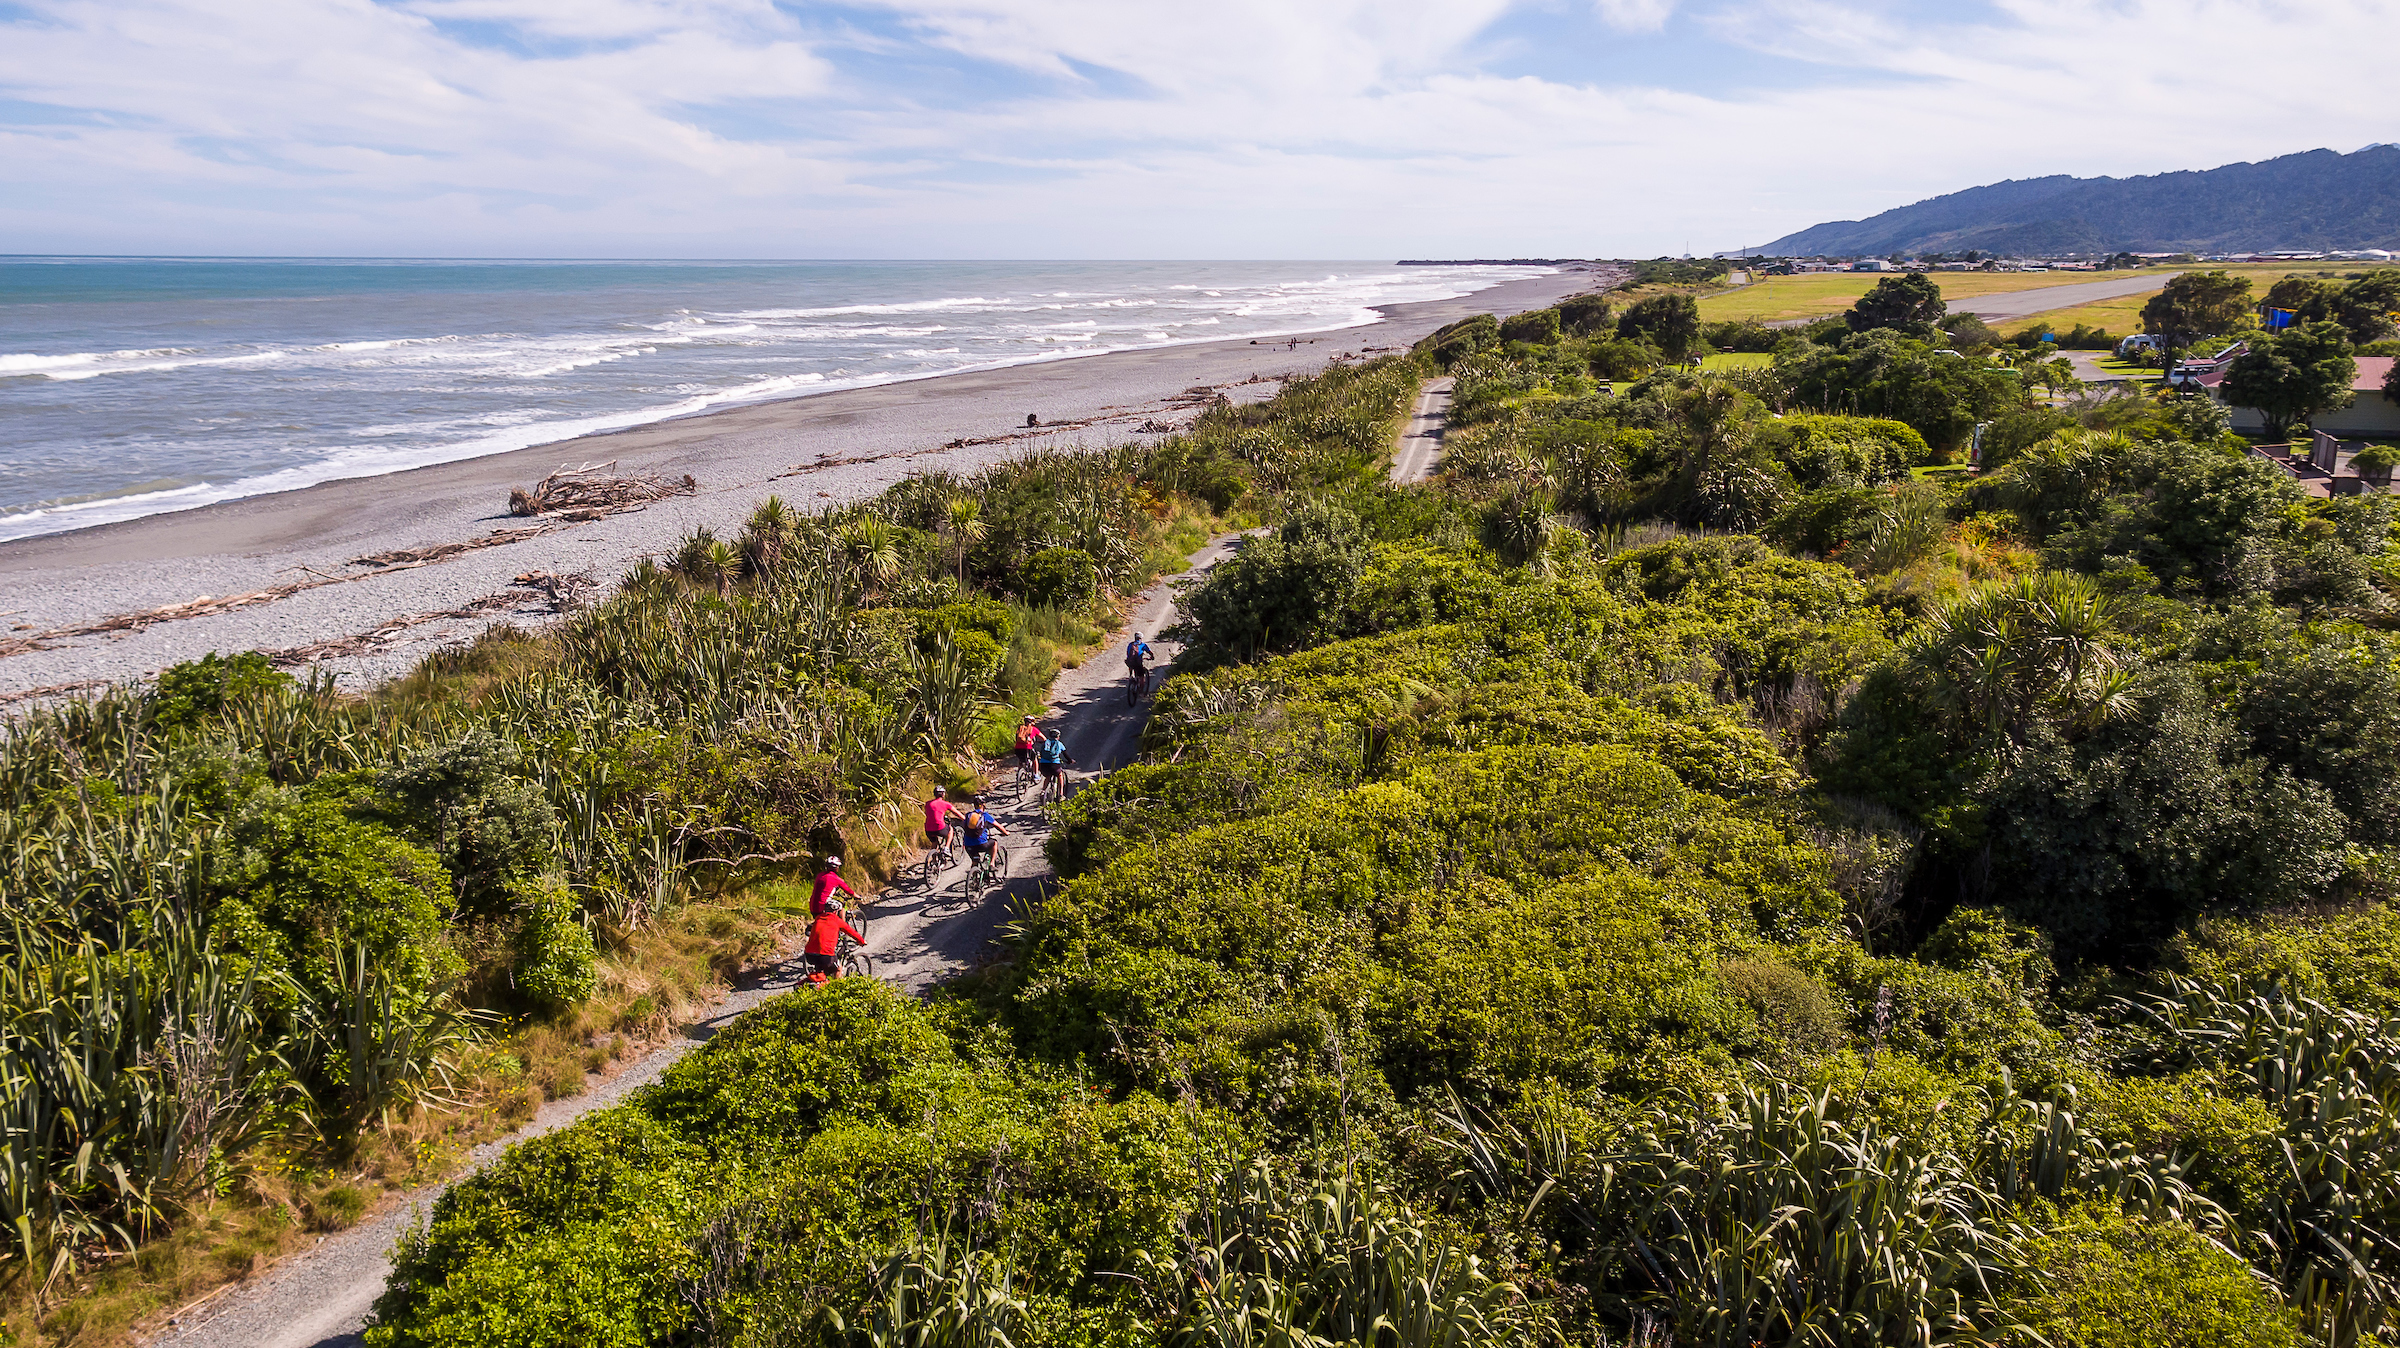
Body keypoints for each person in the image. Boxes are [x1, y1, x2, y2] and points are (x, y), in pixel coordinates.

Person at [804, 898, 866, 984]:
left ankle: (820, 982)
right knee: (838, 969)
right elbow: (851, 932)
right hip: (825, 955)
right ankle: (836, 988)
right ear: (836, 911)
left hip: (809, 954)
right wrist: (861, 941)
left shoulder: (818, 918)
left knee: (823, 969)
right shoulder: (837, 920)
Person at [961, 795, 1008, 870]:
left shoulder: (968, 815)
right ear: (983, 805)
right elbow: (998, 826)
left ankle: (974, 877)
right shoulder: (985, 815)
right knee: (994, 842)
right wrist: (1005, 832)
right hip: (981, 844)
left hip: (968, 845)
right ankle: (992, 864)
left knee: (975, 861)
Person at [923, 786, 959, 865]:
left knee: (934, 842)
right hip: (939, 827)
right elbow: (957, 813)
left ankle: (934, 860)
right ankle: (946, 848)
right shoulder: (946, 804)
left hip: (928, 829)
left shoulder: (927, 803)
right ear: (943, 794)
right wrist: (966, 820)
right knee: (950, 830)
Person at [1036, 729, 1075, 802]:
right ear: (1058, 736)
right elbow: (1065, 755)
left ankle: (1043, 791)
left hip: (1043, 764)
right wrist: (1070, 761)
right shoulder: (1059, 744)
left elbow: (1041, 753)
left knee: (1047, 776)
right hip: (1054, 764)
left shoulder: (1045, 743)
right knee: (1060, 775)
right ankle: (1061, 794)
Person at [1013, 715, 1044, 785]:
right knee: (1034, 759)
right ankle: (1036, 775)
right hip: (1028, 748)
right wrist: (1043, 741)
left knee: (1021, 760)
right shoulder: (1033, 729)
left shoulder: (1020, 728)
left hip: (1017, 748)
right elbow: (1043, 738)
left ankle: (1019, 773)